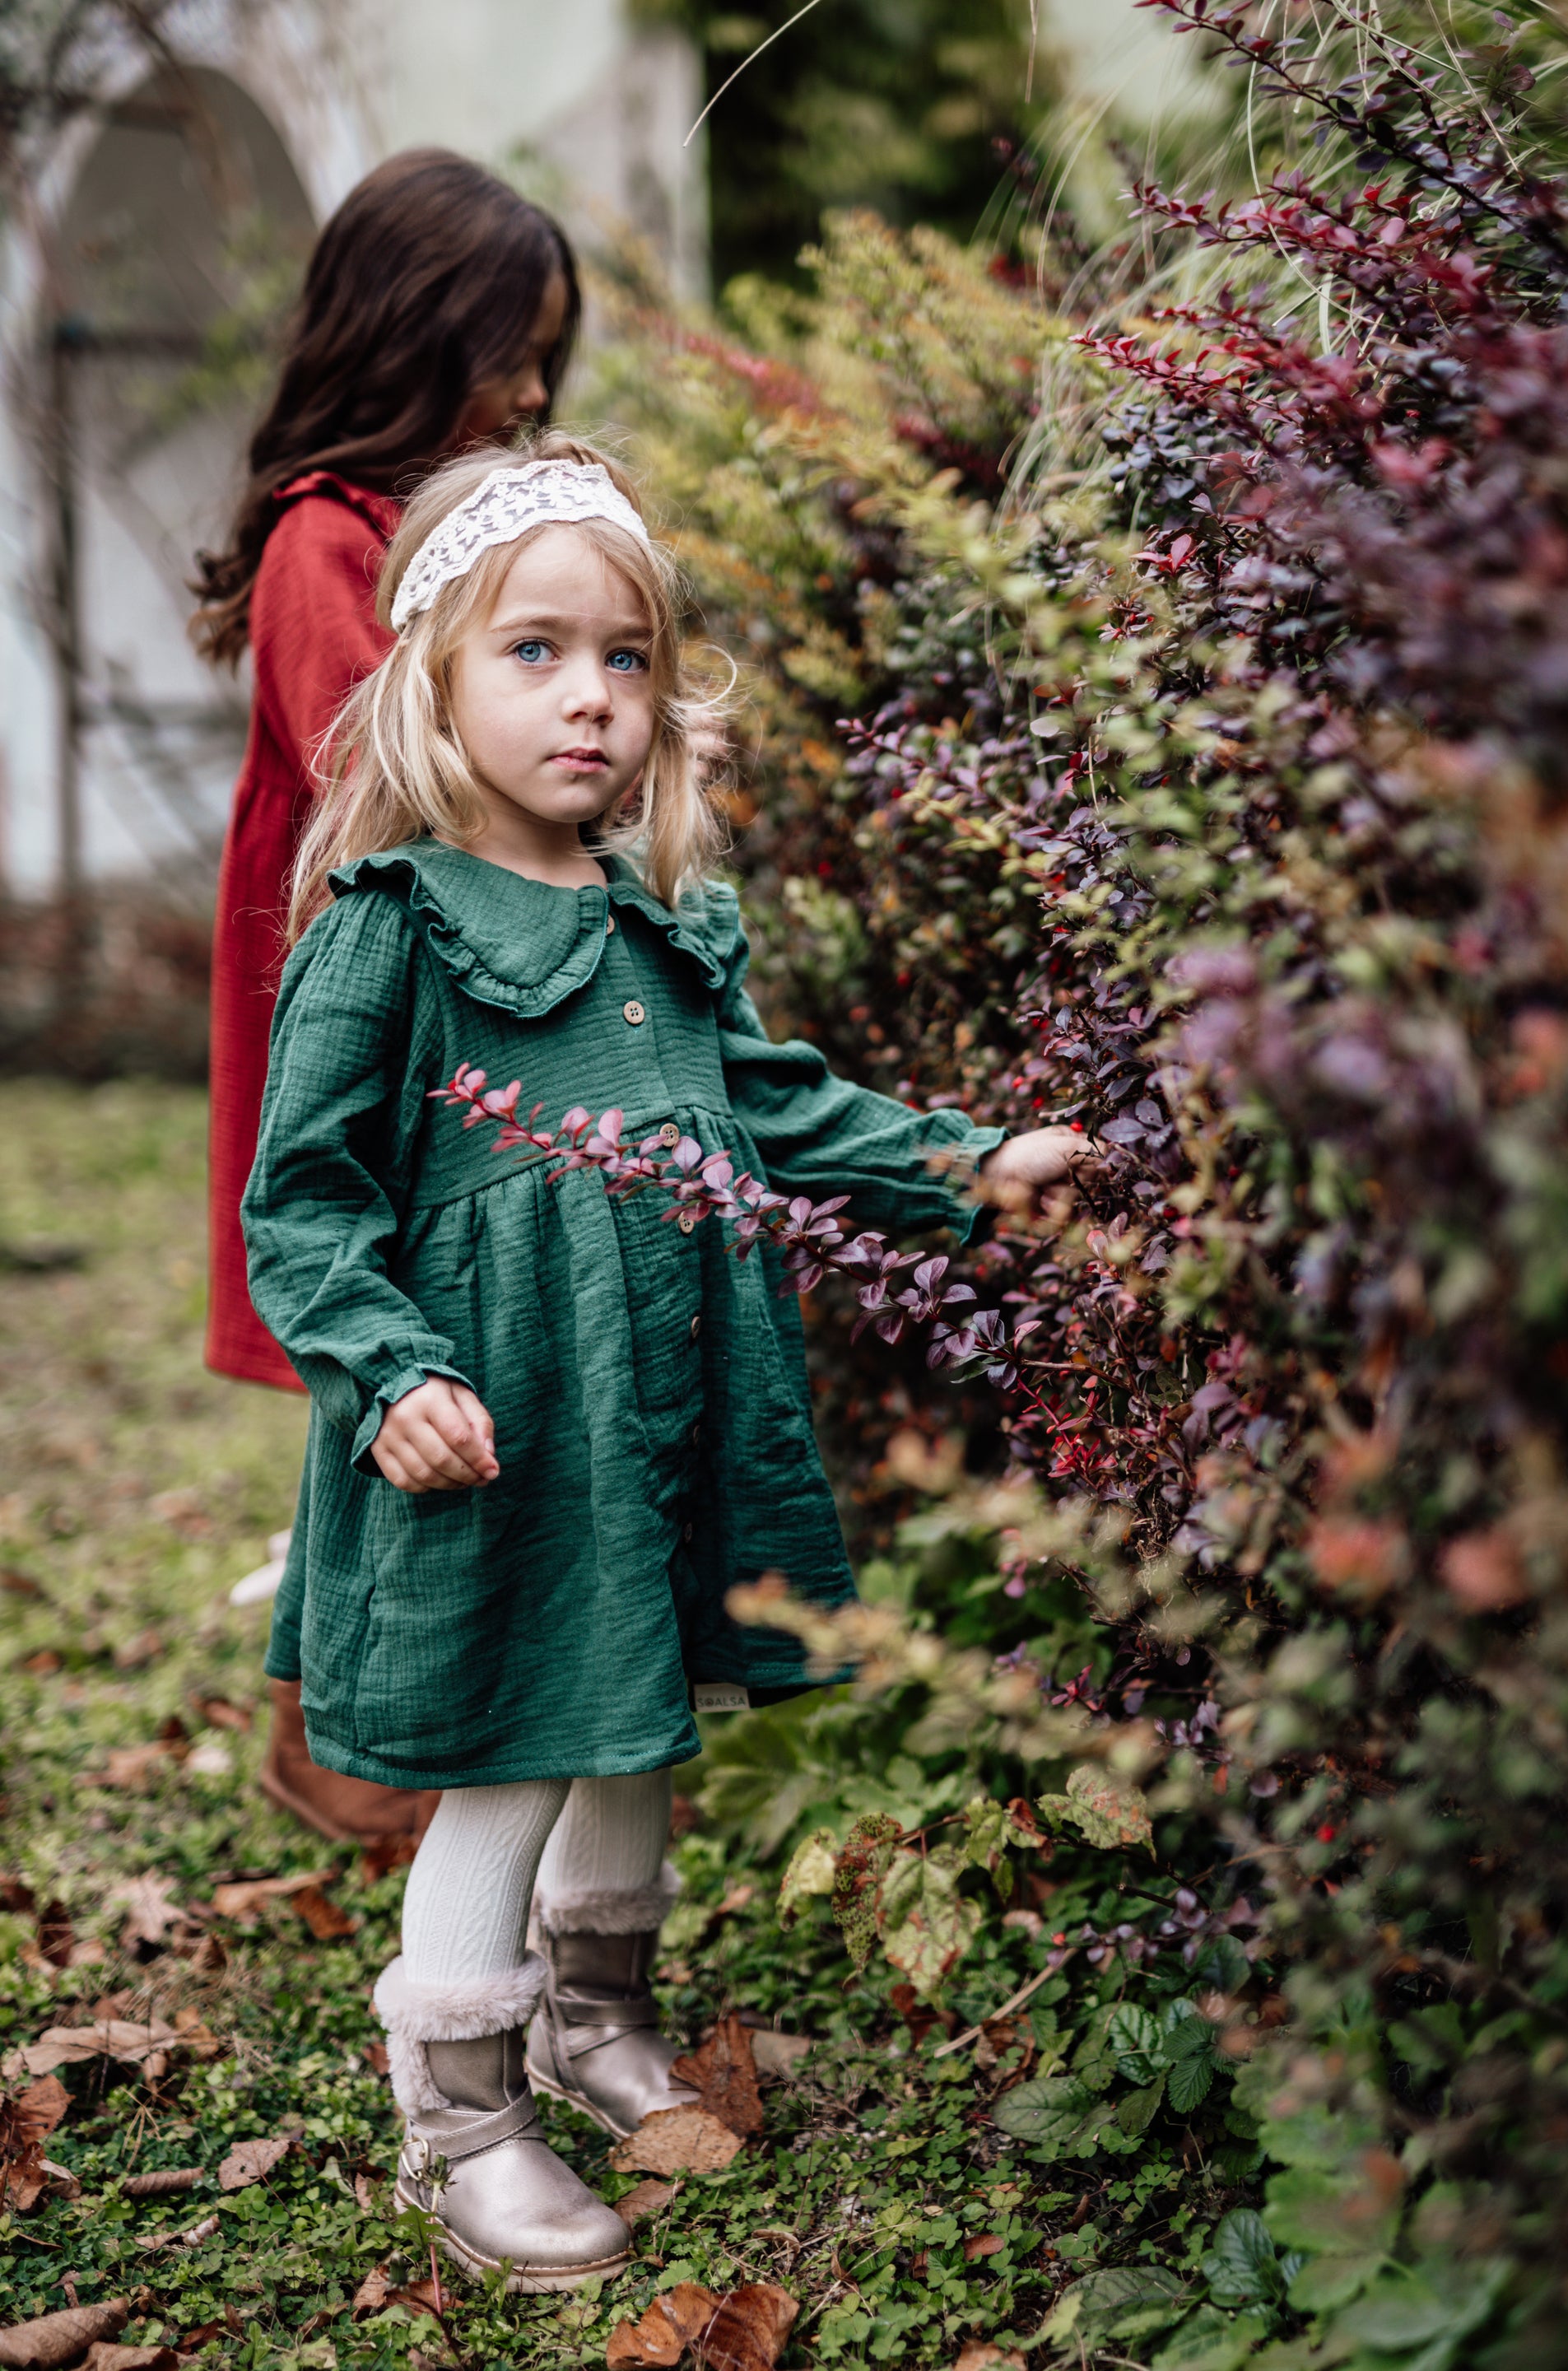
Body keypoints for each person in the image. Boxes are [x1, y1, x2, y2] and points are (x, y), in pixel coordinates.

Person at [240, 432, 1091, 2289]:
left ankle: (592, 2009)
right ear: (434, 679)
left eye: (625, 656)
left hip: (662, 1404)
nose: (592, 699)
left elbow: (779, 1111)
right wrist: (390, 1377)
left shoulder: (664, 927)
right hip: (496, 1427)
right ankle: (454, 2104)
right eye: (535, 651)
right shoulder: (392, 938)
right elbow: (303, 1209)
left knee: (644, 1706)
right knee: (520, 1748)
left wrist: (965, 1165)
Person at [191, 149, 579, 1846]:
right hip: (364, 1021)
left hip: (455, 1000)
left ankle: (414, 1740)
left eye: (551, 353)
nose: (537, 391)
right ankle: (338, 1763)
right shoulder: (323, 543)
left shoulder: (432, 542)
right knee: (382, 1367)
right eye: (514, 349)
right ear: (412, 338)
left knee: (444, 1369)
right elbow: (392, 766)